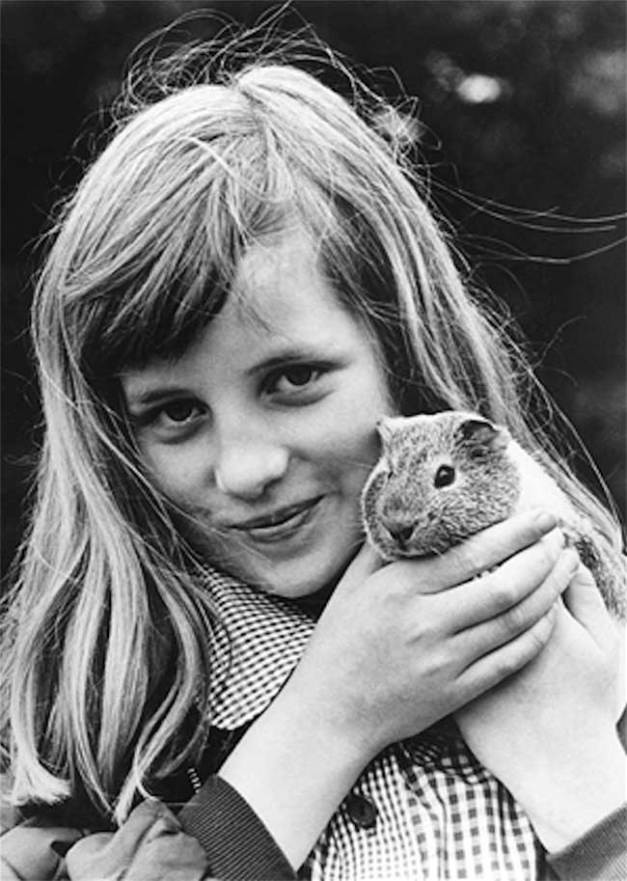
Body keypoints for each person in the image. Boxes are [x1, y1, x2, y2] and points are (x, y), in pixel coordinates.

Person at [1, 25, 625, 881]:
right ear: (114, 436)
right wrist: (326, 721)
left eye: (292, 378)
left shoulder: (598, 633)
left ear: (401, 348)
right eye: (176, 411)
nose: (245, 467)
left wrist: (582, 778)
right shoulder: (94, 713)